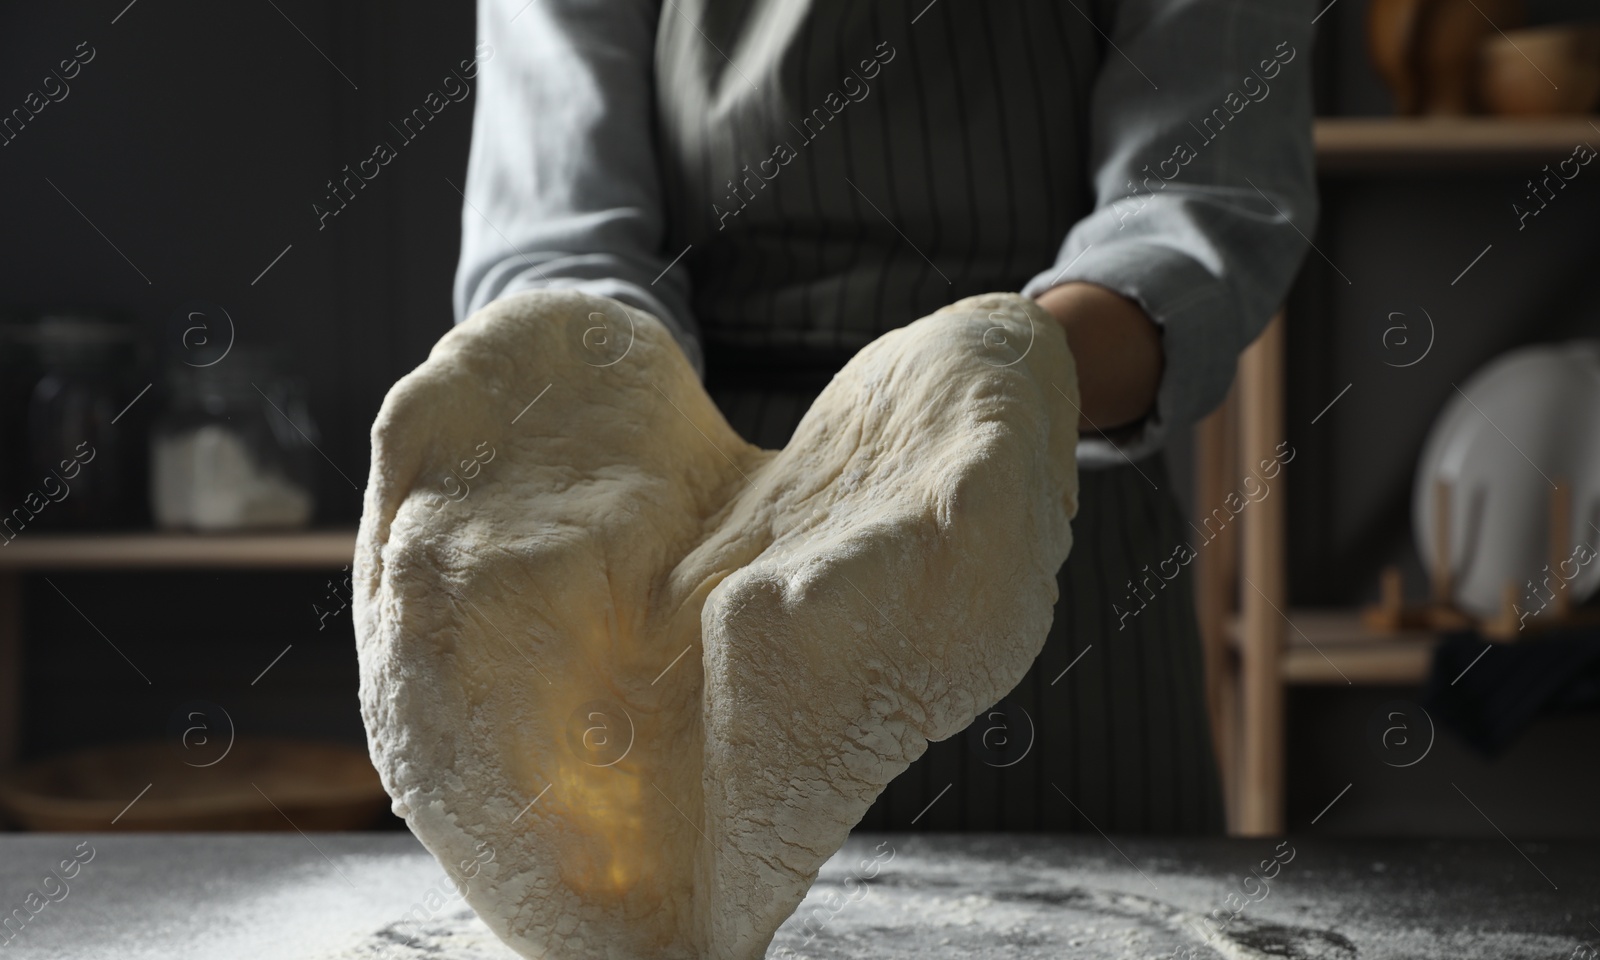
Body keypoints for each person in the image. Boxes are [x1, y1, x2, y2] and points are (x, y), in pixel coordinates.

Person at [453, 0, 1317, 834]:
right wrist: (607, 408)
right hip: (690, 554)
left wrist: (994, 370)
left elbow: (1201, 194)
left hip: (1046, 535)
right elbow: (559, 230)